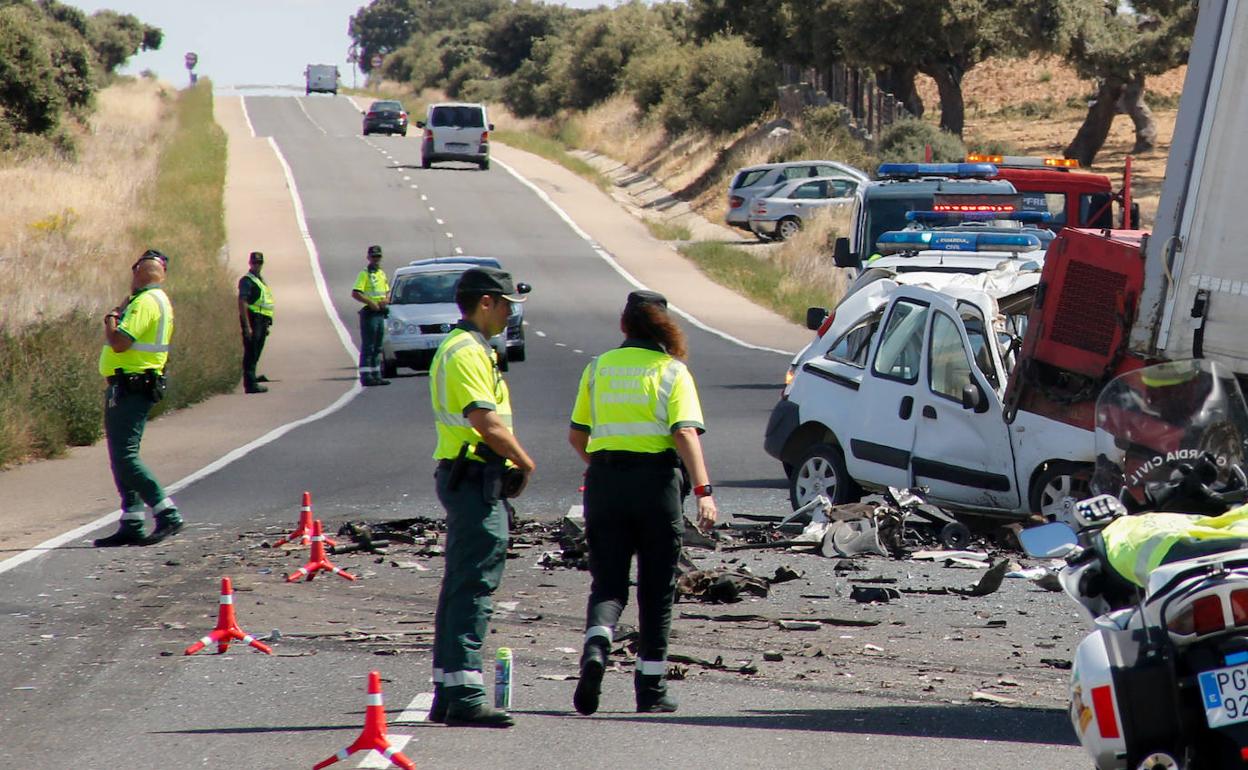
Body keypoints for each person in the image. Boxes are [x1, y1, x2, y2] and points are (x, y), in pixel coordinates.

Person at [568, 289, 718, 716]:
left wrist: (603, 466)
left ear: (623, 325)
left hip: (605, 483)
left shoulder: (598, 368)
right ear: (665, 326)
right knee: (656, 589)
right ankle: (650, 689)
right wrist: (704, 492)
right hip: (655, 487)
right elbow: (684, 433)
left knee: (608, 584)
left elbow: (577, 436)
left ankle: (597, 645)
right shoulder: (672, 371)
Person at [427, 266, 535, 727]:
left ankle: (447, 690)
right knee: (474, 586)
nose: (512, 313)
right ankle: (467, 693)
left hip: (469, 475)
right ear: (486, 302)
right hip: (472, 479)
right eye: (507, 304)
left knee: (460, 584)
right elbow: (485, 422)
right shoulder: (467, 351)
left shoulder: (468, 347)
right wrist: (525, 462)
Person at [93, 249, 184, 547]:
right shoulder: (152, 300)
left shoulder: (146, 302)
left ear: (136, 273)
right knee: (119, 457)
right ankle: (132, 519)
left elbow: (119, 342)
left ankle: (165, 512)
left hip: (133, 385)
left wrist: (110, 318)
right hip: (131, 384)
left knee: (126, 457)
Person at [352, 244, 390, 386]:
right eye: (373, 256)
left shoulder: (381, 273)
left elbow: (386, 291)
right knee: (369, 345)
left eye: (378, 256)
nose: (376, 259)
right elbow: (356, 293)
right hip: (369, 313)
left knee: (378, 346)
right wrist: (370, 303)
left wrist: (385, 300)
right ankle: (366, 376)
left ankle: (376, 374)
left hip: (380, 313)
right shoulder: (364, 274)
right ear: (368, 257)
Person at [238, 251, 273, 394]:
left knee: (257, 350)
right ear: (250, 263)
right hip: (254, 319)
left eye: (259, 263)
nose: (257, 265)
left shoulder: (259, 280)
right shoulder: (247, 280)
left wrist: (268, 323)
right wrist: (247, 326)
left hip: (262, 320)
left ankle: (252, 376)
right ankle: (250, 383)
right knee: (251, 351)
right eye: (254, 263)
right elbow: (242, 302)